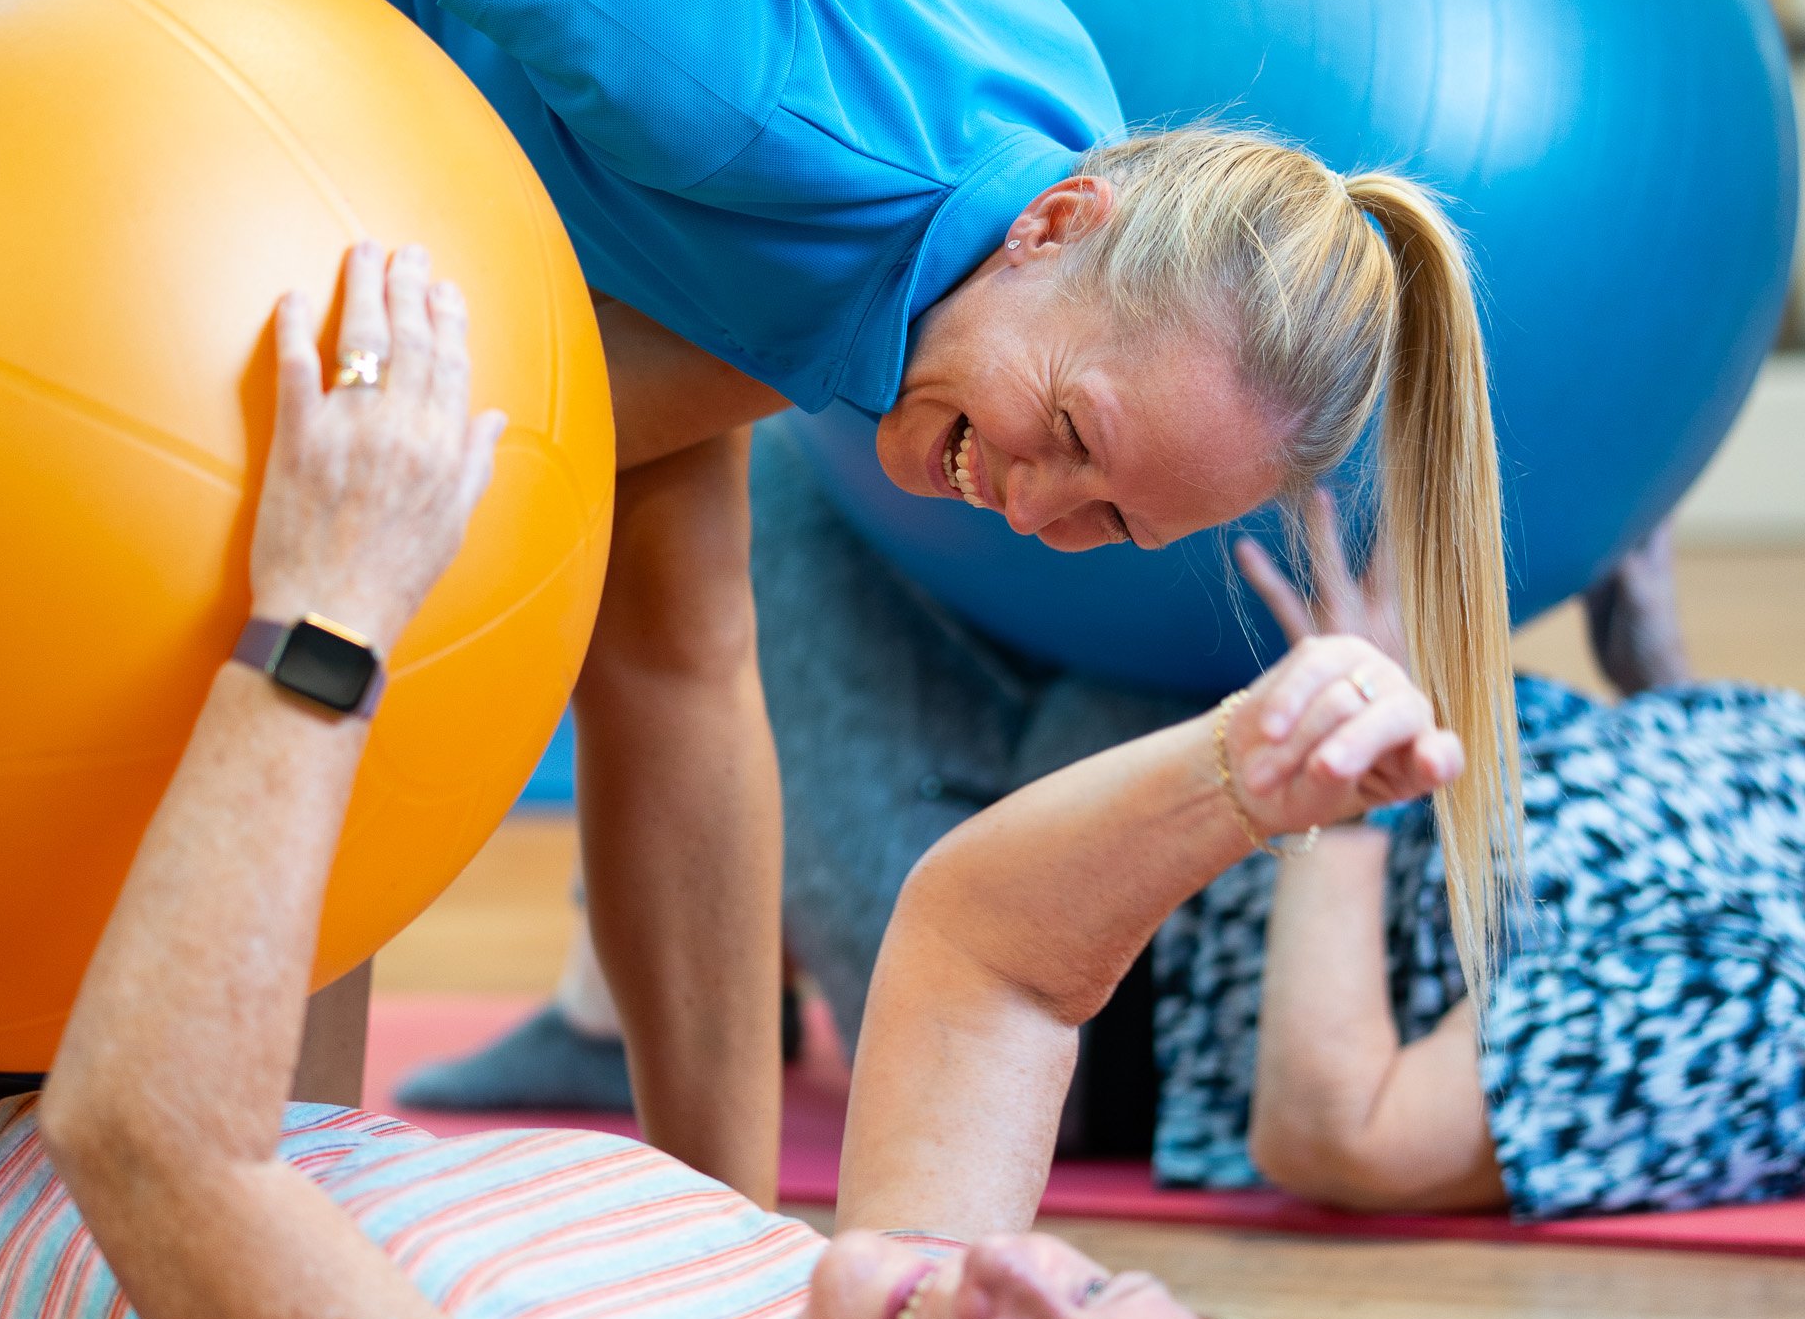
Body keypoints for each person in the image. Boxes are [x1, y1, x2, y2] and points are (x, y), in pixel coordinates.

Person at [0, 0, 1519, 1205]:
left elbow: (682, 673)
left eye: (1107, 521)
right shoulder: (748, 79)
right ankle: (282, 1193)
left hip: (501, 71)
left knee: (673, 613)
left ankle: (724, 1236)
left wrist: (746, 1275)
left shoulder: (1012, 222)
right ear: (1062, 222)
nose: (1033, 508)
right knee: (365, 532)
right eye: (1066, 434)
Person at [0, 243, 1503, 1319]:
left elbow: (150, 1137)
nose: (1026, 1282)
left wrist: (330, 603)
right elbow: (993, 960)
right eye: (1117, 1297)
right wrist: (1246, 774)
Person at [711, 427, 1805, 1219]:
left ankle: (628, 1004)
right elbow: (1682, 867)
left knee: (765, 487)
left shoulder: (1764, 1020)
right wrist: (1661, 680)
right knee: (888, 448)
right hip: (1179, 703)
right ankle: (626, 987)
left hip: (1079, 963)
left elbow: (1344, 1131)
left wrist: (1346, 777)